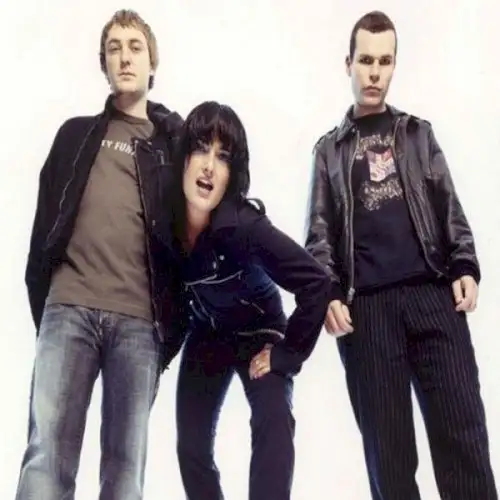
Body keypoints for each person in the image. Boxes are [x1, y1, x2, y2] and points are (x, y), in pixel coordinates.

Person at [304, 10, 497, 500]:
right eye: (365, 60)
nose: (374, 72)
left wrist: (465, 264)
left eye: (384, 61)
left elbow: (448, 205)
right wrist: (328, 292)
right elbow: (319, 233)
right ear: (348, 64)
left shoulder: (417, 134)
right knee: (389, 462)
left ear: (394, 65)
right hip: (367, 311)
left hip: (433, 296)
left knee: (464, 441)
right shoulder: (329, 151)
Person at [16, 9, 184, 500]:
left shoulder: (173, 148)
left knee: (124, 473)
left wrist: (168, 330)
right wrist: (50, 308)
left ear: (153, 63)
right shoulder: (74, 135)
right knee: (46, 459)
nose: (125, 57)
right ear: (104, 65)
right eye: (114, 48)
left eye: (135, 47)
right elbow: (43, 229)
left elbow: (194, 233)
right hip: (68, 309)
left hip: (139, 324)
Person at [166, 100, 334, 500]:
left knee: (273, 421)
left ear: (232, 174)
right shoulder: (164, 218)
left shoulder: (245, 225)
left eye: (223, 157)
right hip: (208, 332)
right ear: (183, 157)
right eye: (201, 149)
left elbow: (316, 282)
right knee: (191, 446)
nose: (209, 166)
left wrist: (287, 354)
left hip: (259, 330)